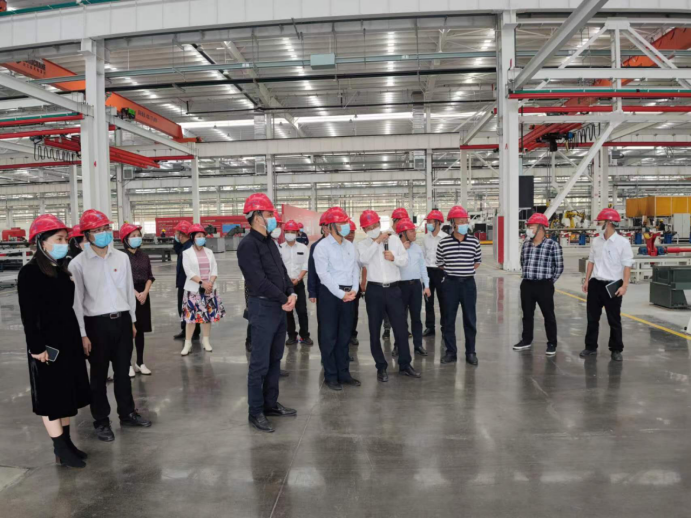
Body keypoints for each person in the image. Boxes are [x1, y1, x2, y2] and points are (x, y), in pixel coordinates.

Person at [69, 209, 151, 443]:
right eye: (97, 230)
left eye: (106, 228)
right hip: (96, 325)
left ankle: (127, 413)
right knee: (98, 375)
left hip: (122, 321)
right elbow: (77, 302)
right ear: (87, 234)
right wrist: (82, 334)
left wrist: (132, 321)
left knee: (123, 372)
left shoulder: (121, 258)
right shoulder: (78, 264)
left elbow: (127, 290)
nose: (104, 233)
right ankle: (101, 421)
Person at [19, 214, 91, 469]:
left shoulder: (61, 269)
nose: (64, 244)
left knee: (66, 395)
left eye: (65, 239)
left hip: (67, 340)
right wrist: (37, 348)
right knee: (51, 398)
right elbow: (29, 316)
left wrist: (79, 336)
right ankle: (59, 447)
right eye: (58, 239)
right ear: (42, 242)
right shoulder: (29, 273)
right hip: (47, 346)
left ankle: (67, 444)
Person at [238, 193, 298, 433]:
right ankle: (256, 411)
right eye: (269, 214)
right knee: (259, 363)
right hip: (263, 308)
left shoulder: (270, 242)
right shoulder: (247, 245)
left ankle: (270, 404)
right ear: (256, 216)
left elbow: (282, 272)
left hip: (279, 307)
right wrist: (284, 298)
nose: (273, 217)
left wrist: (291, 292)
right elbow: (258, 281)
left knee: (275, 359)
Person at [358, 210, 421, 382]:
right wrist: (377, 241)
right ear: (363, 229)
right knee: (374, 330)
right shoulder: (363, 245)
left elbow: (405, 260)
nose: (372, 228)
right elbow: (363, 260)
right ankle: (381, 367)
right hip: (374, 290)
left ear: (379, 224)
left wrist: (394, 258)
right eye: (368, 227)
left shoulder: (393, 240)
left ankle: (405, 364)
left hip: (394, 289)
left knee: (401, 329)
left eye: (375, 225)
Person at [314, 207, 362, 391]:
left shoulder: (350, 246)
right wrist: (341, 294)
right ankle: (331, 376)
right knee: (329, 336)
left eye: (345, 222)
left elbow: (355, 268)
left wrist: (354, 289)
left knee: (344, 336)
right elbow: (323, 275)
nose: (345, 226)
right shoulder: (322, 247)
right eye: (341, 223)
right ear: (331, 226)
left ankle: (344, 373)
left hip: (349, 294)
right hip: (330, 295)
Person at [581, 209, 633, 362]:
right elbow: (591, 261)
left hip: (613, 285)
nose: (597, 224)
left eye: (600, 222)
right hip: (596, 284)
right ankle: (590, 347)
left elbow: (627, 265)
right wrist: (586, 280)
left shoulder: (623, 243)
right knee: (592, 318)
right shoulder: (596, 241)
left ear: (609, 223)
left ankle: (616, 349)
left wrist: (624, 286)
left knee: (614, 319)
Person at [436, 206, 481, 366]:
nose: (463, 224)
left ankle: (471, 352)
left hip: (468, 284)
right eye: (460, 221)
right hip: (450, 284)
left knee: (470, 319)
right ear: (453, 223)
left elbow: (477, 261)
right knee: (448, 319)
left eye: (465, 221)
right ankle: (451, 352)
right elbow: (440, 263)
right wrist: (455, 272)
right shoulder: (444, 243)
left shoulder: (474, 242)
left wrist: (464, 271)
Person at [513, 213, 564, 356]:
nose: (528, 229)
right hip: (527, 284)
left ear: (541, 228)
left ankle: (552, 343)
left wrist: (549, 281)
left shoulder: (552, 245)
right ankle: (526, 339)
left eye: (532, 227)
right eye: (528, 227)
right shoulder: (526, 244)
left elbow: (559, 267)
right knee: (527, 314)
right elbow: (523, 262)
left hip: (544, 285)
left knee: (548, 315)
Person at [181, 224, 225, 356]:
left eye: (203, 236)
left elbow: (214, 269)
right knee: (191, 318)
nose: (201, 238)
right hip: (194, 290)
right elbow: (188, 272)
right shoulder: (186, 253)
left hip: (209, 290)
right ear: (192, 238)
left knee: (207, 317)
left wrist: (210, 283)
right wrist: (202, 283)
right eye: (198, 236)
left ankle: (206, 341)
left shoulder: (209, 252)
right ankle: (187, 343)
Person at [121, 224, 156, 376]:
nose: (137, 238)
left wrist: (145, 293)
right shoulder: (121, 257)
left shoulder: (144, 256)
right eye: (133, 236)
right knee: (129, 330)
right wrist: (135, 293)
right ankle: (128, 364)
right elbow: (122, 280)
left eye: (138, 235)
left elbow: (150, 276)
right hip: (128, 294)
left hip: (143, 295)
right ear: (125, 239)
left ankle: (140, 362)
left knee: (140, 330)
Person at [396, 218, 431, 357]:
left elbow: (423, 267)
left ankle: (418, 345)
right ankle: (398, 345)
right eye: (411, 231)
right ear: (403, 233)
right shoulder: (395, 248)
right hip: (400, 286)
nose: (414, 233)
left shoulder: (417, 248)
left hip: (416, 286)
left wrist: (426, 285)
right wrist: (402, 250)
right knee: (400, 318)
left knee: (416, 317)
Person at [280, 220, 313, 347]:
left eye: (292, 232)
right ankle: (291, 336)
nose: (290, 234)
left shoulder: (303, 248)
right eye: (287, 231)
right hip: (284, 285)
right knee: (288, 311)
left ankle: (305, 335)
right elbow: (278, 267)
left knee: (302, 311)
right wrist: (287, 280)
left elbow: (306, 265)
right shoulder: (280, 248)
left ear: (297, 233)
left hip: (298, 283)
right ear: (284, 233)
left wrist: (298, 279)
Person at [173, 221, 200, 342]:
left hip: (187, 283)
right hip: (183, 283)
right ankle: (186, 330)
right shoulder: (185, 246)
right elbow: (176, 249)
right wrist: (176, 239)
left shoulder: (189, 248)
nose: (175, 235)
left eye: (177, 233)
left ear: (182, 234)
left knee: (188, 308)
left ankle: (193, 332)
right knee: (185, 308)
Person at [423, 210, 448, 337]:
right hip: (428, 271)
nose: (428, 224)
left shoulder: (445, 238)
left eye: (430, 221)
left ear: (438, 222)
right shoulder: (425, 238)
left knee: (443, 301)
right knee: (428, 301)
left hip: (441, 272)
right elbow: (423, 256)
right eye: (427, 222)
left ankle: (445, 327)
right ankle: (430, 327)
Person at [345, 219, 363, 347]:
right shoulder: (339, 246)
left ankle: (352, 334)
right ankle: (343, 335)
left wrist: (363, 282)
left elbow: (363, 265)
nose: (350, 235)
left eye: (353, 232)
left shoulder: (358, 247)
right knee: (343, 312)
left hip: (355, 284)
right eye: (348, 232)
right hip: (341, 285)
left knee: (354, 311)